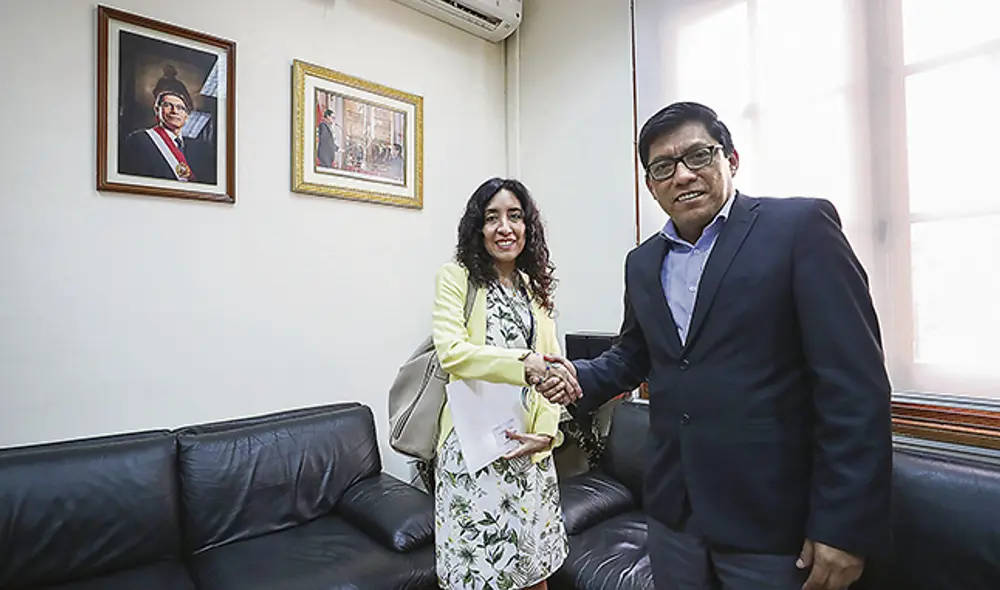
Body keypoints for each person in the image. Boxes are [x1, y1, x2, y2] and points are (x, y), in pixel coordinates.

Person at [540, 102, 892, 590]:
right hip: (673, 515)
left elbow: (855, 386)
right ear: (650, 185)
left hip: (770, 518)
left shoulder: (799, 228)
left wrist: (844, 525)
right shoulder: (642, 263)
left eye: (698, 156)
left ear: (731, 158)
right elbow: (634, 354)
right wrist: (576, 376)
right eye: (663, 167)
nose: (682, 175)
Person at [431, 177, 580, 590]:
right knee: (480, 575)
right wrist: (524, 364)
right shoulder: (456, 278)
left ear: (528, 226)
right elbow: (452, 353)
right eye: (492, 217)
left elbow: (549, 365)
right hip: (474, 452)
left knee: (535, 570)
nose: (505, 227)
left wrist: (547, 435)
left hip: (529, 451)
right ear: (477, 228)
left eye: (515, 216)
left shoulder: (535, 288)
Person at [119, 65, 215, 184]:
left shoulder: (201, 148)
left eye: (180, 108)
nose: (174, 111)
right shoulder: (138, 140)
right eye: (168, 105)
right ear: (157, 110)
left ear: (186, 115)